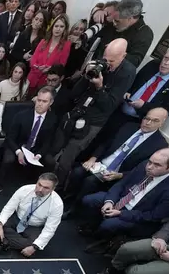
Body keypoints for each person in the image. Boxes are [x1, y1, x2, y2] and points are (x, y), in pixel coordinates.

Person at [54, 38, 137, 186]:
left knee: (68, 156)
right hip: (78, 111)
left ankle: (58, 188)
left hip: (94, 121)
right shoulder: (100, 62)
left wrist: (99, 87)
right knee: (56, 145)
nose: (107, 64)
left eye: (112, 61)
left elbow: (110, 105)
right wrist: (86, 76)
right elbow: (75, 93)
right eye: (106, 59)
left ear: (123, 56)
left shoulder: (128, 72)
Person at [63, 108, 169, 215]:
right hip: (100, 164)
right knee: (77, 172)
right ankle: (68, 198)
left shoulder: (159, 144)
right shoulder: (129, 126)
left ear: (161, 123)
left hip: (117, 174)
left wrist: (120, 175)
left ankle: (74, 209)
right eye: (147, 118)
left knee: (90, 182)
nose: (148, 123)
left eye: (155, 121)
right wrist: (93, 158)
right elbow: (106, 143)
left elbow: (142, 170)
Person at [79, 148, 169, 240]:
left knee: (108, 225)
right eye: (150, 162)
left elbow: (153, 216)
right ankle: (92, 226)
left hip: (137, 214)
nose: (149, 167)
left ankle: (100, 239)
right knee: (89, 199)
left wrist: (120, 214)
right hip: (122, 198)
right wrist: (110, 201)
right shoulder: (144, 165)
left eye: (157, 165)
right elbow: (122, 184)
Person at [0, 86, 58, 199]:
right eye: (39, 100)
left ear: (51, 102)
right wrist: (18, 152)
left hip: (36, 148)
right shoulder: (22, 115)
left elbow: (48, 141)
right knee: (8, 159)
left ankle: (40, 187)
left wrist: (39, 154)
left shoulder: (53, 119)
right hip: (17, 145)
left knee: (50, 161)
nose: (40, 104)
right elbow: (10, 137)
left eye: (44, 101)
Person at [0, 173, 63, 256]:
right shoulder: (24, 190)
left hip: (33, 226)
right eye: (39, 185)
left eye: (46, 188)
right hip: (16, 218)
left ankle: (1, 239)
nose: (40, 189)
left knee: (32, 244)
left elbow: (50, 229)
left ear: (53, 189)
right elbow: (9, 208)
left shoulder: (57, 204)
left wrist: (34, 247)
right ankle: (5, 241)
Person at [120, 40, 169, 123]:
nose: (166, 63)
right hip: (119, 111)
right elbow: (133, 82)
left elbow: (168, 109)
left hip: (141, 122)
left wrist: (144, 106)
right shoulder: (153, 65)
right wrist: (128, 91)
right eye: (166, 57)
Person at [90, 0, 154, 68]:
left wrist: (117, 52)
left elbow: (135, 62)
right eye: (114, 20)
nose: (114, 23)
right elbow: (94, 33)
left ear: (130, 18)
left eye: (117, 21)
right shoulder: (115, 21)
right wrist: (96, 11)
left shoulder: (145, 34)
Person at [27, 14, 70, 93]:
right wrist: (38, 67)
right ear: (52, 27)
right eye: (56, 26)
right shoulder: (43, 41)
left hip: (47, 82)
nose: (58, 29)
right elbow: (33, 60)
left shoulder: (66, 45)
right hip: (33, 78)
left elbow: (61, 65)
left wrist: (49, 69)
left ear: (65, 29)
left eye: (61, 26)